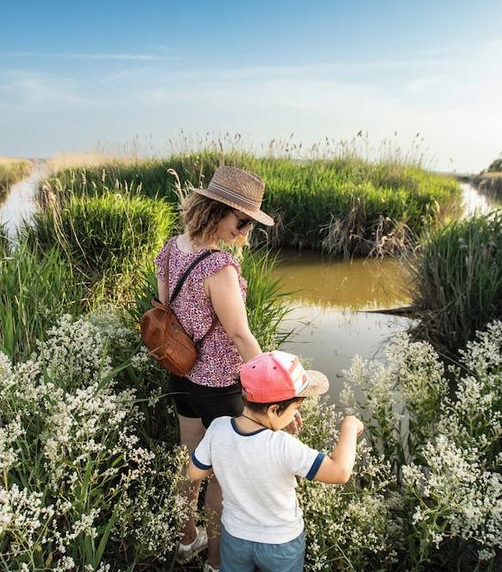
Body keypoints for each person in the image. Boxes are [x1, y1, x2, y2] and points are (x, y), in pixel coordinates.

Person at [154, 165, 280, 571]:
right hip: (219, 386)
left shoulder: (172, 248)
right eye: (241, 221)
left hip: (180, 374)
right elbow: (241, 336)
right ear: (216, 210)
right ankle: (214, 562)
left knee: (191, 461)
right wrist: (275, 391)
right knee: (223, 480)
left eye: (249, 224)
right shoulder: (219, 267)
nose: (244, 232)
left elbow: (165, 311)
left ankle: (187, 539)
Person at [188, 351, 365, 572]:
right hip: (281, 544)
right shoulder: (283, 446)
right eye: (295, 409)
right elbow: (340, 472)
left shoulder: (218, 428)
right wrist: (349, 427)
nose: (295, 416)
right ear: (274, 410)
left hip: (235, 536)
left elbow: (195, 472)